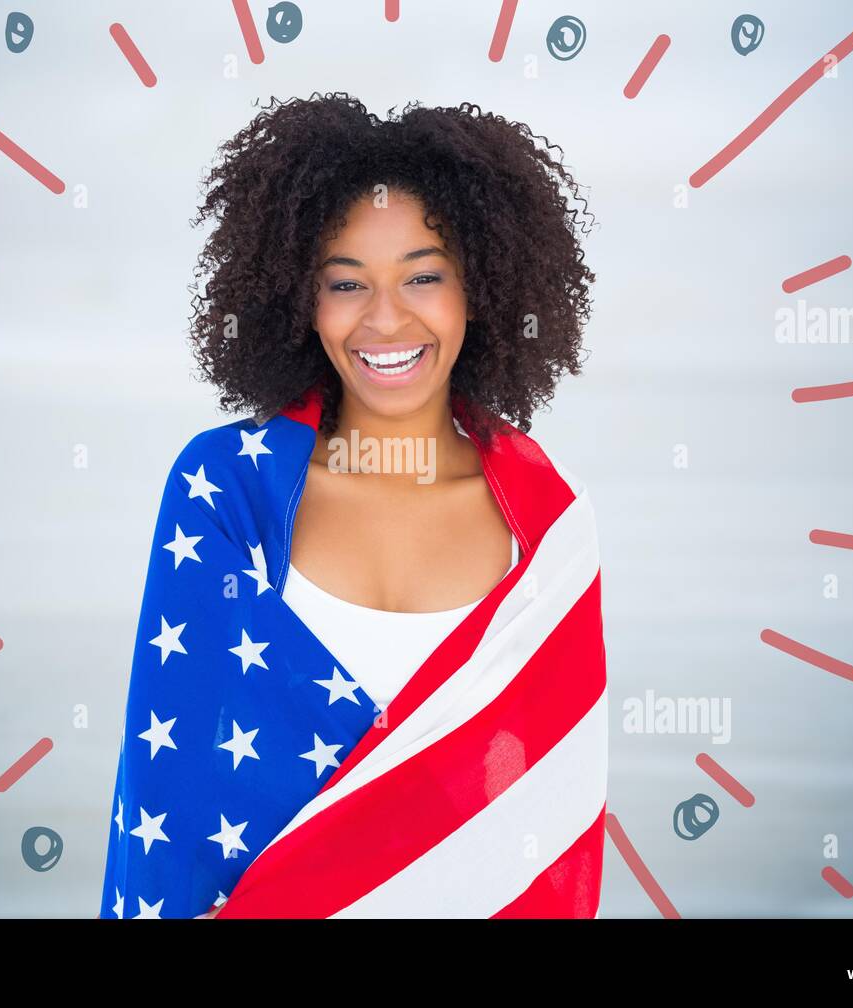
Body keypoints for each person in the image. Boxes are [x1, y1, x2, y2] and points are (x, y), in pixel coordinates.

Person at [100, 93, 607, 919]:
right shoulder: (223, 494)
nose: (385, 318)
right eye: (346, 283)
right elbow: (173, 808)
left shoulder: (550, 533)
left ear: (480, 287)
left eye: (423, 275)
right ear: (301, 299)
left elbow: (546, 842)